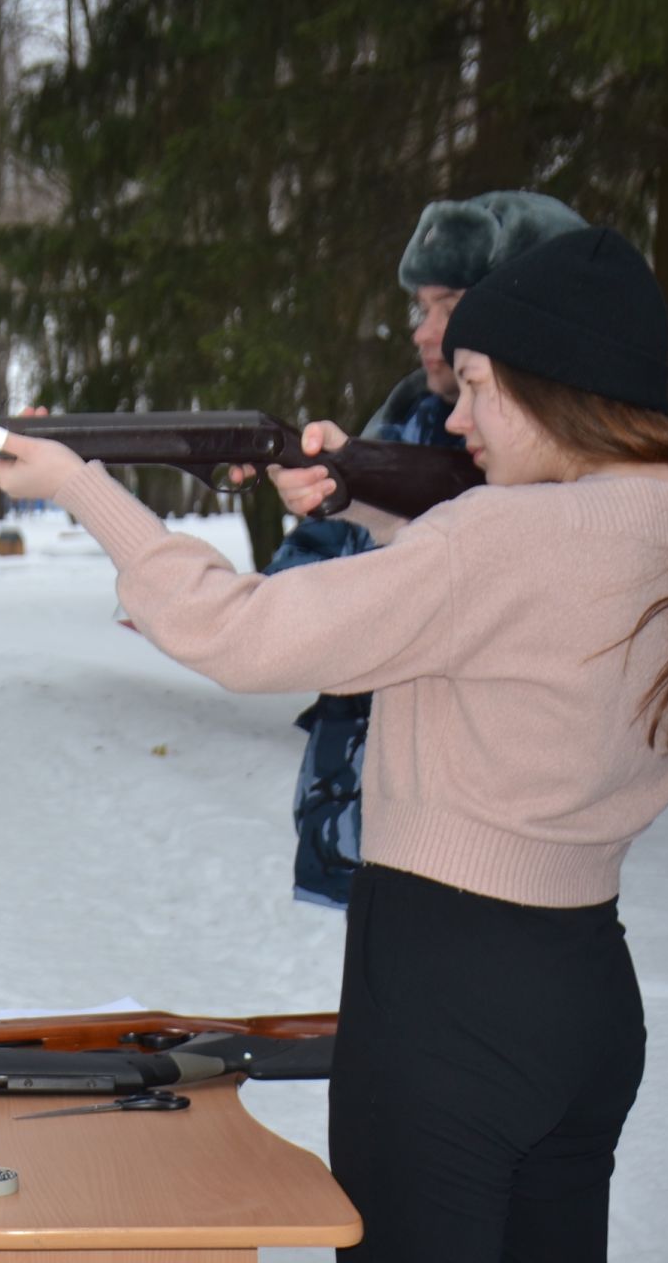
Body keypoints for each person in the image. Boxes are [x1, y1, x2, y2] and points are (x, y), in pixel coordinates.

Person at [0, 226, 668, 1261]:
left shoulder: (504, 536)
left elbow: (240, 630)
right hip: (587, 994)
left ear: (550, 389)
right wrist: (360, 491)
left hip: (445, 998)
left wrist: (80, 485)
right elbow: (501, 618)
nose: (456, 419)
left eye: (474, 386)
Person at [261, 191, 587, 908]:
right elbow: (305, 575)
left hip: (479, 852)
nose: (424, 330)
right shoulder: (412, 410)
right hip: (366, 813)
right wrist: (326, 500)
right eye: (421, 307)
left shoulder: (581, 470)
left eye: (450, 305)